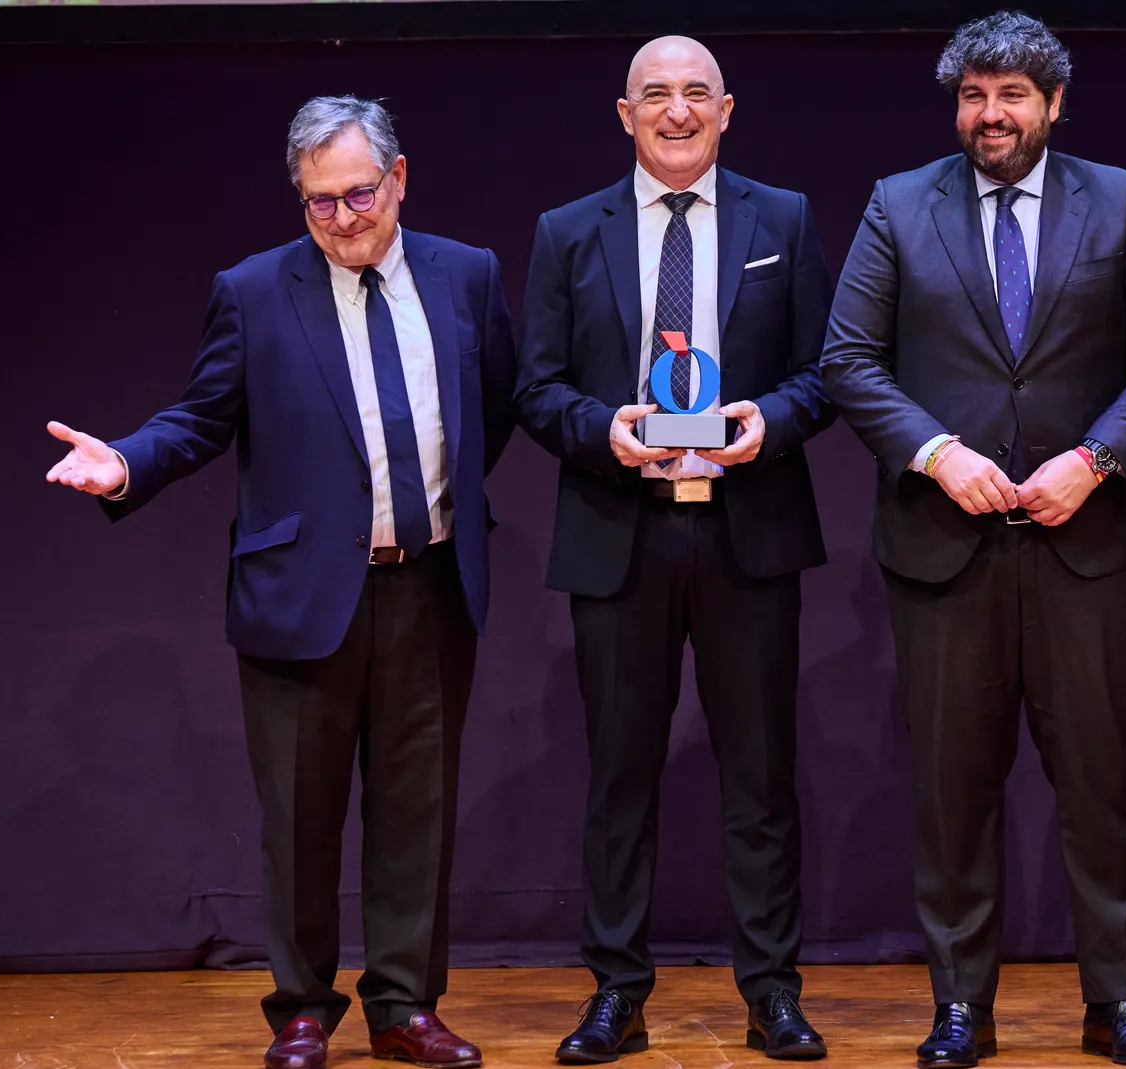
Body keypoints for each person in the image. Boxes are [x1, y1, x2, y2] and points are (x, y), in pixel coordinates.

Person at [43, 95, 515, 1069]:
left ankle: (403, 1006)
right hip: (301, 594)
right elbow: (202, 415)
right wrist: (125, 463)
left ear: (400, 178)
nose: (343, 218)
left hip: (429, 585)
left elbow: (494, 407)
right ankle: (302, 1007)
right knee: (299, 817)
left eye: (359, 195)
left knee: (414, 814)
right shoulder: (254, 291)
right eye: (318, 203)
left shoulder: (465, 276)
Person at [821, 12, 1126, 1068]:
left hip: (1094, 546)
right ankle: (958, 1005)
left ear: (1054, 103)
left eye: (1012, 95)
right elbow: (851, 360)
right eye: (974, 95)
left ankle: (1115, 1001)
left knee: (1103, 787)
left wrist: (1095, 460)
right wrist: (938, 453)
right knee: (952, 789)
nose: (991, 115)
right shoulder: (899, 205)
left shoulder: (1119, 200)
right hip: (945, 548)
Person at [515, 34, 836, 1065]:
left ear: (728, 109)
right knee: (619, 778)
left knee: (761, 778)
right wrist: (598, 431)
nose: (677, 110)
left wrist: (769, 423)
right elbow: (535, 387)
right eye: (655, 94)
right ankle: (616, 992)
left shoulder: (782, 217)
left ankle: (771, 993)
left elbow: (825, 372)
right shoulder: (568, 232)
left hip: (749, 529)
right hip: (622, 533)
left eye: (697, 93)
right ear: (624, 115)